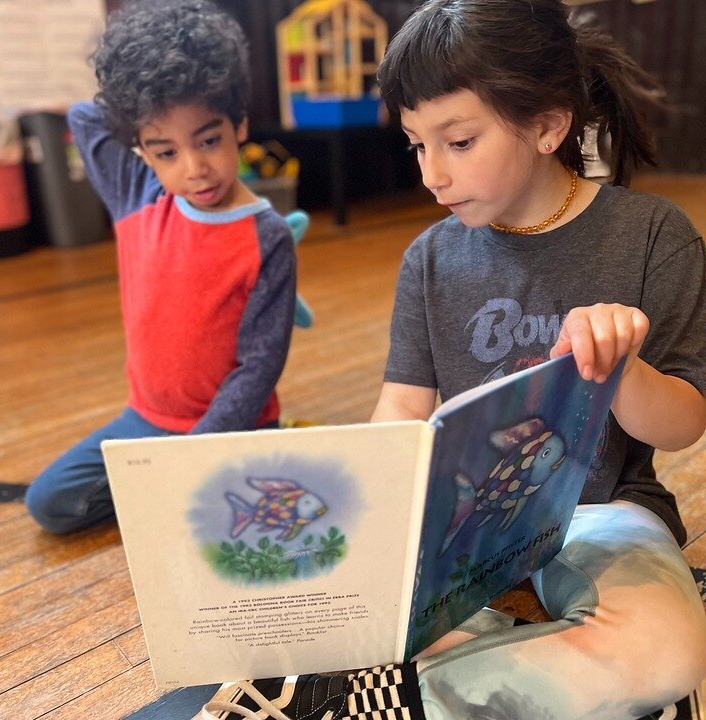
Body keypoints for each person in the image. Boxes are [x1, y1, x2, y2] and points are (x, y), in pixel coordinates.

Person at [201, 1, 706, 719]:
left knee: (669, 650)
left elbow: (683, 424)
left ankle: (372, 701)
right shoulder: (432, 258)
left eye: (459, 141)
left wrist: (622, 364)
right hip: (459, 536)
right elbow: (403, 406)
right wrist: (358, 521)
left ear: (547, 125)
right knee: (383, 623)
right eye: (416, 145)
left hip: (606, 514)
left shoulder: (654, 235)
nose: (433, 174)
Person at [25, 0, 296, 535]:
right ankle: (160, 489)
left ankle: (175, 488)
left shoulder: (269, 237)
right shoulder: (136, 193)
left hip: (232, 429)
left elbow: (259, 367)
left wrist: (194, 455)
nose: (194, 169)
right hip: (147, 420)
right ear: (141, 150)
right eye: (165, 150)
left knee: (234, 527)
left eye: (209, 140)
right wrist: (141, 102)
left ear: (239, 122)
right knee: (49, 503)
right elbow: (84, 117)